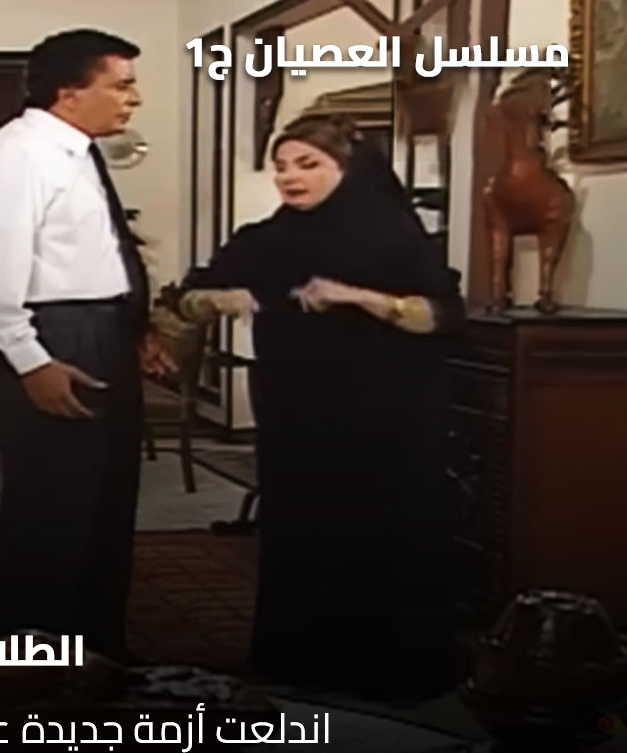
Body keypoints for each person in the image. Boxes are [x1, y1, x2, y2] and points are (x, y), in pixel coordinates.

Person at [180, 115, 465, 700]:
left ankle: (391, 664)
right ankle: (302, 659)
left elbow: (442, 316)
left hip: (389, 412)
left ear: (348, 169)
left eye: (308, 165)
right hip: (297, 409)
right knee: (304, 526)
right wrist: (217, 299)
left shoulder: (394, 237)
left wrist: (359, 297)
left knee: (383, 530)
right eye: (281, 166)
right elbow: (184, 299)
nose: (290, 177)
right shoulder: (264, 239)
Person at [0, 29, 172, 662]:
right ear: (69, 92)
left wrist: (133, 329)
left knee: (105, 509)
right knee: (53, 511)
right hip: (49, 338)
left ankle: (97, 654)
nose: (134, 99)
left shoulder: (77, 153)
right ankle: (32, 666)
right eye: (121, 85)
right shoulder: (13, 157)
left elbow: (94, 256)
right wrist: (31, 361)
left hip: (99, 333)